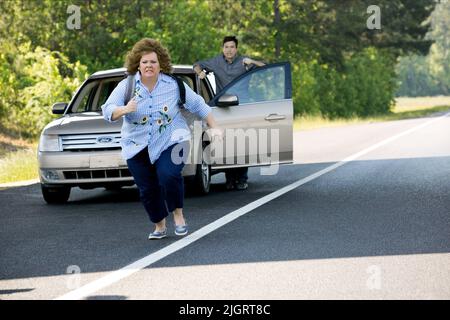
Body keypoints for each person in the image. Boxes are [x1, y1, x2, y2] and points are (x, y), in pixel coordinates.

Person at [101, 38, 222, 240]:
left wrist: (215, 127)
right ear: (137, 65)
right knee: (147, 189)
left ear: (161, 65)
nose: (149, 65)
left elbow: (199, 105)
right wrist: (125, 109)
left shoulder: (174, 85)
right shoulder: (127, 86)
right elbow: (108, 109)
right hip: (136, 145)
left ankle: (178, 214)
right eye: (145, 62)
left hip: (172, 138)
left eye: (153, 62)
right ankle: (160, 225)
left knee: (168, 175)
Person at [193, 35, 265, 191]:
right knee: (227, 144)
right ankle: (230, 179)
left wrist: (252, 62)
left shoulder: (244, 61)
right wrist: (200, 73)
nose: (229, 50)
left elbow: (264, 66)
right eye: (226, 47)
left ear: (236, 49)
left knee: (242, 143)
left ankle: (242, 179)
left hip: (242, 107)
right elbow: (196, 65)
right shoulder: (216, 62)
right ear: (222, 49)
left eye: (232, 47)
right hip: (224, 108)